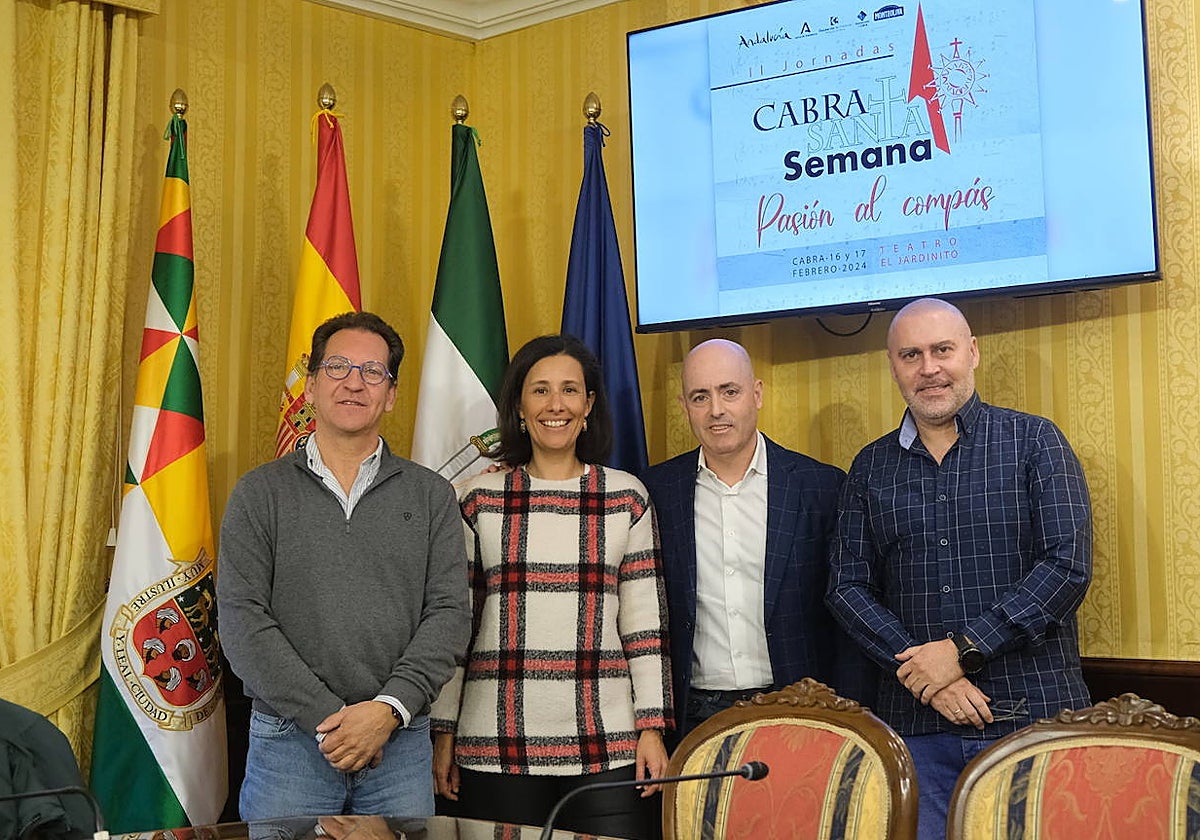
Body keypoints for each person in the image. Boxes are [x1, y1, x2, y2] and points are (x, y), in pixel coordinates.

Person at [826, 298, 1092, 840]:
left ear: (971, 353)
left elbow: (1066, 567)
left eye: (942, 350)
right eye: (911, 355)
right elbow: (846, 587)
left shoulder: (1036, 442)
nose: (928, 368)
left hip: (1032, 717)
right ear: (893, 365)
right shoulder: (870, 466)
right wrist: (926, 678)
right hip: (916, 731)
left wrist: (960, 652)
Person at [217, 311, 470, 819]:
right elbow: (243, 625)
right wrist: (335, 721)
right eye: (337, 367)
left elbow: (448, 617)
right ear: (310, 385)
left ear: (391, 395)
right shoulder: (258, 493)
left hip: (398, 742)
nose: (354, 383)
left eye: (372, 372)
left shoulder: (431, 496)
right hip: (290, 742)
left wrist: (386, 712)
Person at [430, 334, 672, 840]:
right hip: (493, 745)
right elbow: (454, 631)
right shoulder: (477, 500)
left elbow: (644, 627)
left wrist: (651, 727)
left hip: (607, 747)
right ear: (519, 406)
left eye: (569, 390)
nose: (555, 404)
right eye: (539, 390)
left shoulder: (626, 497)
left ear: (589, 405)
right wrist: (444, 732)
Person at [641, 338, 875, 742]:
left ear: (757, 393)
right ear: (684, 407)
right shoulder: (655, 492)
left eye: (729, 392)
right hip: (694, 715)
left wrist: (849, 715)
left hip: (801, 707)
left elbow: (847, 612)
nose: (716, 410)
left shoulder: (820, 487)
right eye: (701, 396)